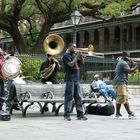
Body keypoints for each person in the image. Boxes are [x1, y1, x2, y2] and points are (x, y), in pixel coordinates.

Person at [62, 43, 87, 121]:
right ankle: (66, 115)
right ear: (69, 47)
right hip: (70, 79)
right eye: (74, 47)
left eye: (76, 47)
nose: (75, 48)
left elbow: (81, 64)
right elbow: (70, 64)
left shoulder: (74, 55)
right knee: (69, 98)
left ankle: (80, 115)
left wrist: (81, 57)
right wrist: (76, 57)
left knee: (78, 97)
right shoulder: (66, 56)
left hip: (77, 79)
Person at [113, 51, 139, 118]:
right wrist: (137, 66)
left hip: (122, 82)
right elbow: (130, 71)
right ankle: (120, 113)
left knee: (125, 98)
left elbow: (129, 68)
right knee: (122, 97)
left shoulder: (123, 62)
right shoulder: (123, 63)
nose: (129, 58)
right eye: (128, 56)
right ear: (124, 55)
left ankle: (128, 113)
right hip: (120, 82)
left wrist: (133, 63)